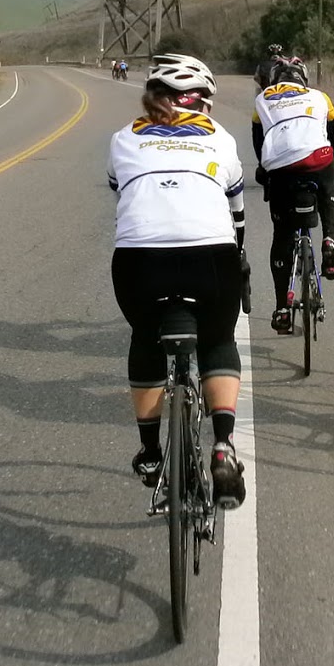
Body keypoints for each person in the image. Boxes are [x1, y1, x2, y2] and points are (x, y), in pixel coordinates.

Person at [107, 53, 249, 509]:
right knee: (218, 338)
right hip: (211, 255)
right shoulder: (220, 138)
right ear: (203, 100)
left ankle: (150, 454)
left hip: (139, 260)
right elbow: (236, 208)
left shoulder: (124, 137)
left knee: (146, 340)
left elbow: (120, 189)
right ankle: (224, 449)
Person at [251, 56, 334, 334]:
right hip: (319, 159)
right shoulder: (320, 97)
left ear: (275, 81)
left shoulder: (263, 99)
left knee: (281, 235)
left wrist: (264, 170)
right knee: (330, 186)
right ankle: (329, 239)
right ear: (303, 80)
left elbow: (260, 142)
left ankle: (282, 308)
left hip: (281, 168)